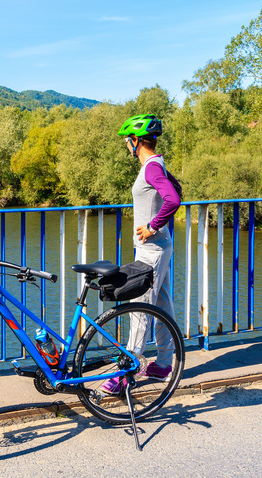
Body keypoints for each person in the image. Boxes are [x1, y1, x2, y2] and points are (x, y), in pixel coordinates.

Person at [101, 113, 181, 395]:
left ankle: (126, 371)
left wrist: (151, 226)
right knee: (161, 304)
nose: (126, 144)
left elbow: (173, 199)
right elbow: (172, 193)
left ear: (136, 141)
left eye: (127, 140)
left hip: (153, 249)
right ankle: (163, 363)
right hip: (158, 247)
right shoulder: (155, 163)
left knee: (140, 309)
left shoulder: (150, 167)